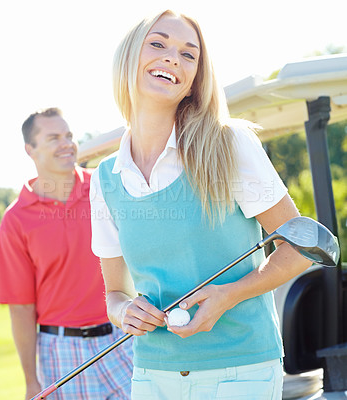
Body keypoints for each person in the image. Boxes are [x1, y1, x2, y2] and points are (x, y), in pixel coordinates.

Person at [89, 10, 313, 400]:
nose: (172, 58)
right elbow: (114, 295)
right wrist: (125, 312)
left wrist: (230, 295)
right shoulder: (105, 180)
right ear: (128, 58)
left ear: (194, 81)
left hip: (241, 371)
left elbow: (298, 250)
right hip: (151, 376)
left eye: (188, 54)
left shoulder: (230, 145)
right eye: (158, 44)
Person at [0, 108, 133, 400]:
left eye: (69, 136)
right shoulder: (16, 220)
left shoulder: (105, 186)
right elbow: (20, 307)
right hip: (62, 352)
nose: (66, 144)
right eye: (54, 138)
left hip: (123, 332)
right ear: (30, 149)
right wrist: (31, 381)